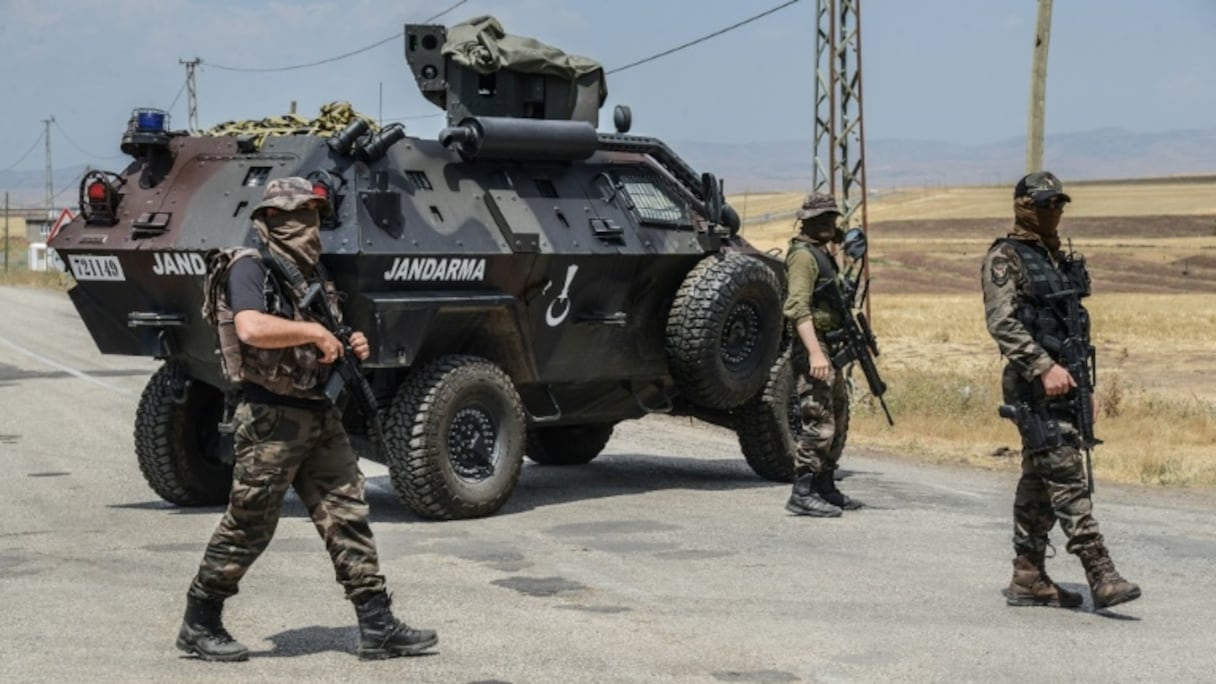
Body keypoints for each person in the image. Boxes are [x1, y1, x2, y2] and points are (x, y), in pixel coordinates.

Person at [177, 177, 438, 661]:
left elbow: (321, 340)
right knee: (250, 523)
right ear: (271, 219)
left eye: (316, 216)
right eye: (299, 215)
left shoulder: (311, 275)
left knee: (348, 515)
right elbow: (251, 327)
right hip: (270, 417)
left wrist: (348, 343)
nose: (309, 226)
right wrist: (314, 332)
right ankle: (200, 620)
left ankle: (377, 624)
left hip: (318, 413)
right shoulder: (248, 266)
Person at [981, 171, 1140, 610]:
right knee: (1065, 470)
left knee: (1039, 477)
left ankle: (1027, 576)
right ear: (1023, 207)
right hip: (1033, 387)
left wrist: (1083, 386)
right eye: (1045, 204)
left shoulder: (1057, 259)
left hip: (1067, 381)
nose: (1054, 212)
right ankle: (1099, 570)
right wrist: (1042, 367)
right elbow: (1002, 323)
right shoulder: (1005, 257)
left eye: (1059, 205)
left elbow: (1072, 330)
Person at [782, 191, 864, 517]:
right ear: (809, 221)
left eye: (833, 217)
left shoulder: (822, 252)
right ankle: (801, 492)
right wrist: (815, 353)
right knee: (819, 422)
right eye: (824, 218)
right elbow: (796, 307)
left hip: (830, 348)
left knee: (839, 419)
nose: (831, 222)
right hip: (814, 349)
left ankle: (825, 486)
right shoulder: (803, 256)